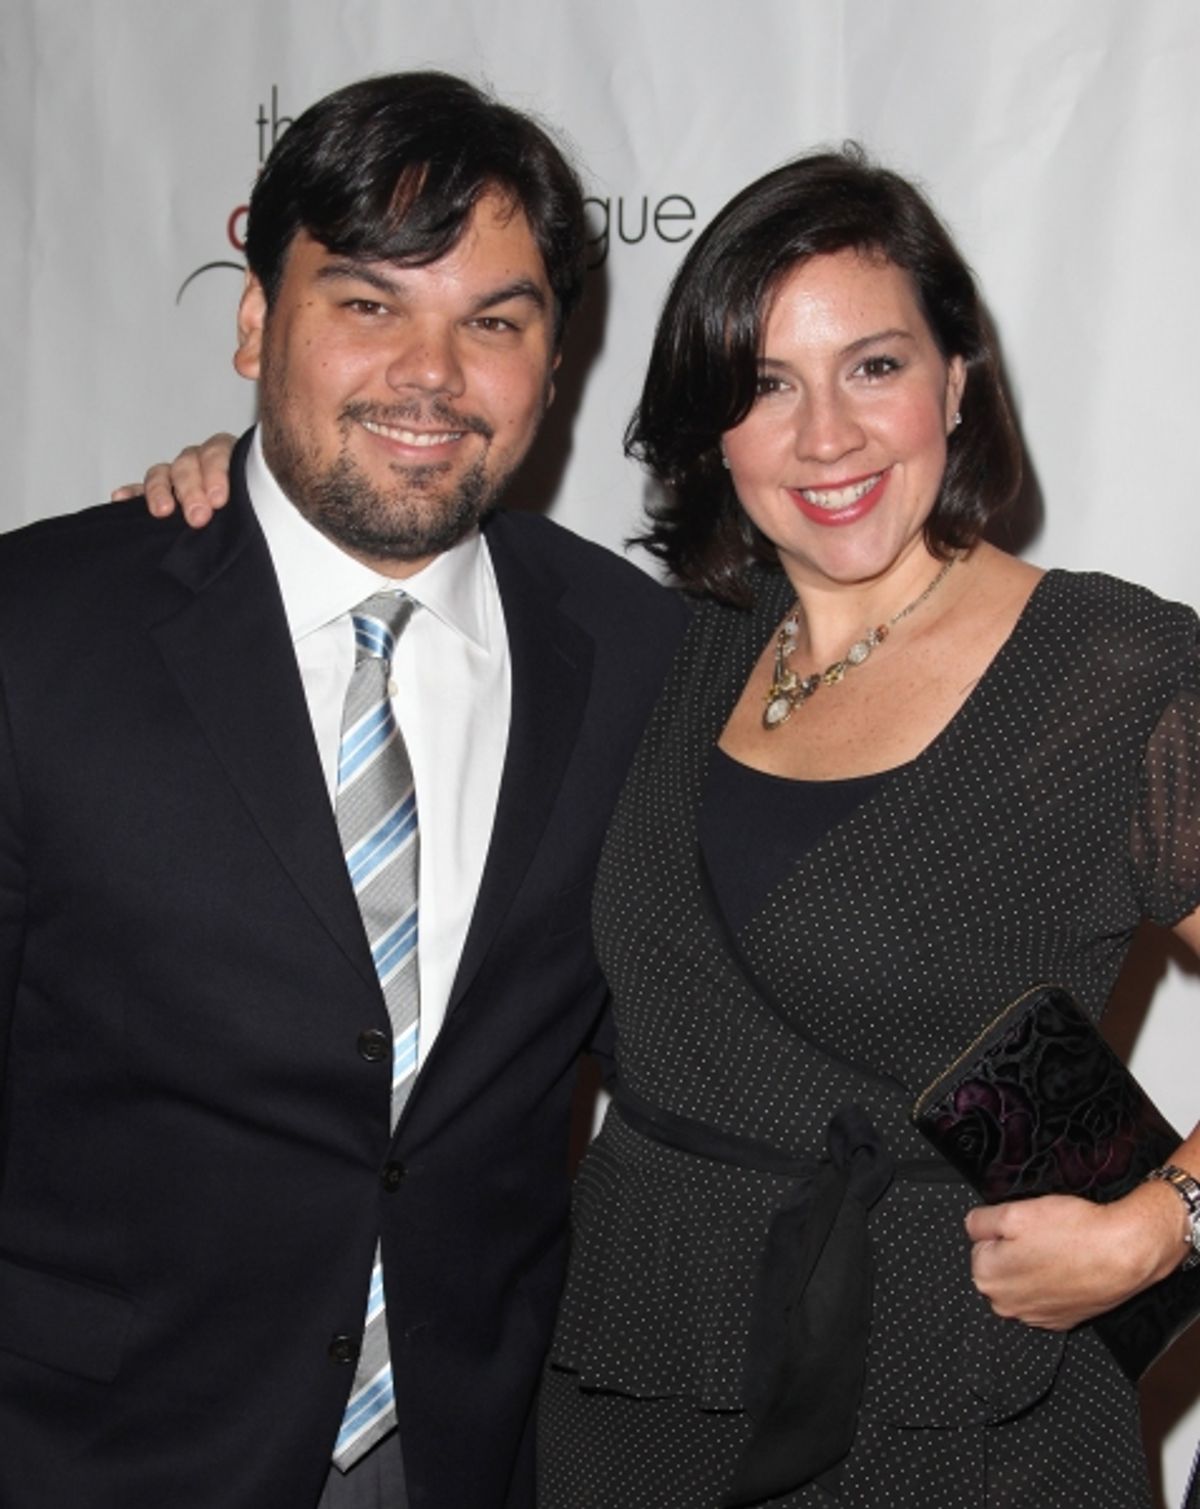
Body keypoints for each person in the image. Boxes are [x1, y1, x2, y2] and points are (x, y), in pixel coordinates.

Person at [131, 151, 1200, 1507]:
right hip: (631, 1384)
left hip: (958, 1406)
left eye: (874, 367)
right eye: (767, 384)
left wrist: (1160, 1228)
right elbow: (369, 539)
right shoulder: (662, 648)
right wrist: (230, 498)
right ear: (713, 427)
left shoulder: (1111, 673)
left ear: (957, 382)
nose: (827, 436)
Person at [0, 71, 685, 1509]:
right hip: (89, 1453)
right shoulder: (38, 630)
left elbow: (727, 1039)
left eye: (493, 321)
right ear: (259, 321)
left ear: (555, 362)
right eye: (369, 303)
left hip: (464, 1454)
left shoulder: (638, 655)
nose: (431, 375)